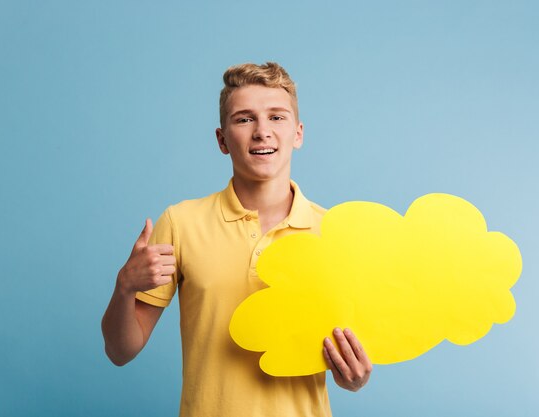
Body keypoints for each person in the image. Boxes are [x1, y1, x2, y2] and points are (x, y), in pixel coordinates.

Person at [101, 62, 372, 417]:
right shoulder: (181, 223)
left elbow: (351, 352)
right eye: (244, 119)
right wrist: (124, 287)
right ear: (222, 139)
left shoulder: (334, 233)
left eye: (277, 117)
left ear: (299, 133)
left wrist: (354, 377)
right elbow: (121, 351)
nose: (262, 131)